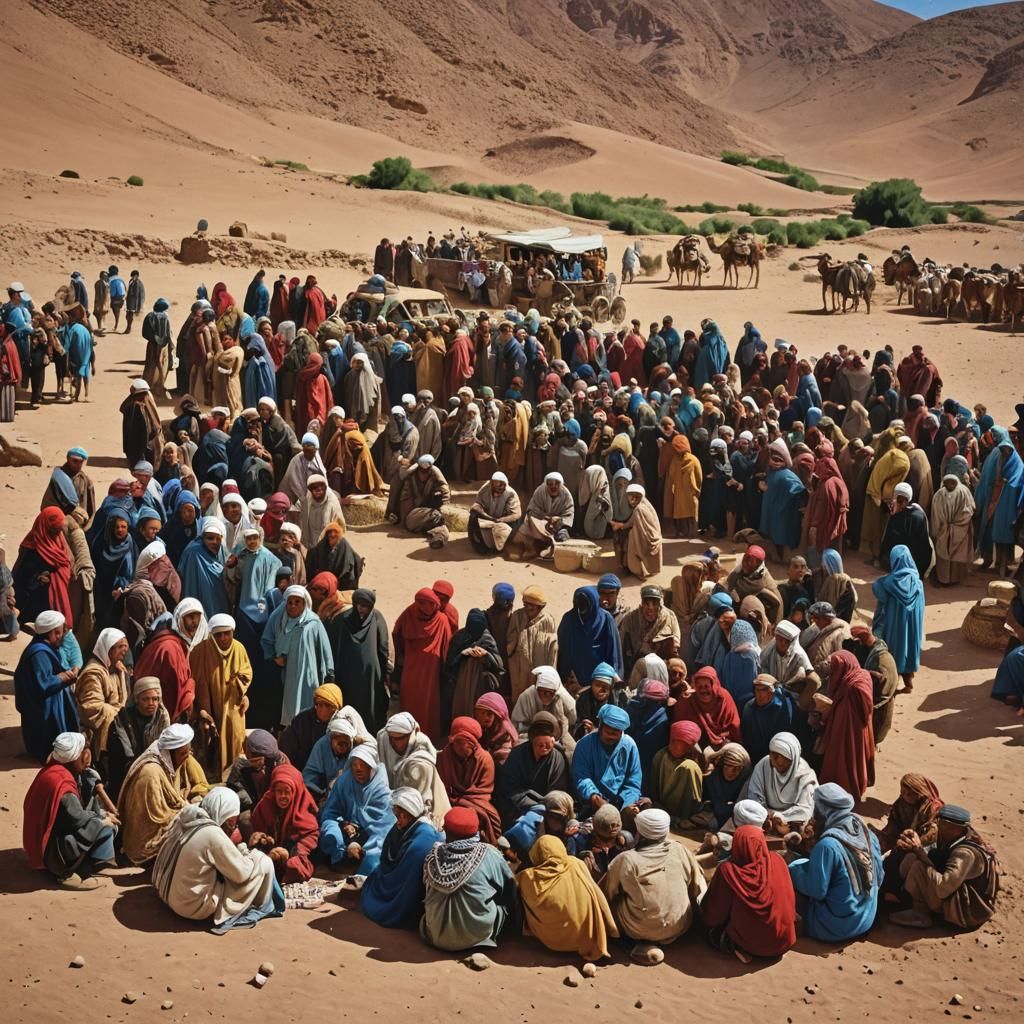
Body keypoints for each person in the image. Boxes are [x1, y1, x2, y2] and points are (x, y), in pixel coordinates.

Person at [152, 787, 282, 933]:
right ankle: (260, 904)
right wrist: (251, 852)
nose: (233, 826)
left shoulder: (188, 814)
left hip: (166, 895)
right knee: (263, 863)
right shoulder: (211, 833)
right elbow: (242, 874)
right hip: (191, 907)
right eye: (231, 821)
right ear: (222, 812)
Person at [604, 808, 707, 959]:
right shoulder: (680, 849)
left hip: (639, 930)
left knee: (608, 907)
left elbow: (608, 894)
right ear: (666, 832)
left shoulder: (626, 859)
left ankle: (634, 945)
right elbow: (698, 888)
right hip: (680, 926)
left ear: (638, 831)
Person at [22, 732, 118, 890]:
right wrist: (102, 818)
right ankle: (74, 869)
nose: (86, 759)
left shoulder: (52, 770)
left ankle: (91, 861)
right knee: (106, 827)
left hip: (39, 842)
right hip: (51, 852)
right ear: (74, 757)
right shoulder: (62, 783)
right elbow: (77, 819)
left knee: (101, 819)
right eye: (83, 754)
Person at [789, 782, 882, 942]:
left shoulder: (828, 845)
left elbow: (816, 890)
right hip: (866, 919)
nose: (814, 818)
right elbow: (879, 877)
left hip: (834, 926)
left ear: (826, 812)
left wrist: (792, 870)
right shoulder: (864, 829)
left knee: (784, 888)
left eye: (816, 813)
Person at [420, 806, 517, 951]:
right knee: (506, 901)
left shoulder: (433, 855)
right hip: (476, 938)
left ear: (447, 831)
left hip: (435, 935)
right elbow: (510, 887)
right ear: (475, 832)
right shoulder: (489, 853)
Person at [891, 803, 999, 930]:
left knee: (919, 867)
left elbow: (943, 889)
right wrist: (916, 843)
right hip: (953, 891)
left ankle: (920, 913)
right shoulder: (952, 837)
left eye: (940, 823)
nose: (937, 825)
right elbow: (931, 852)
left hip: (967, 911)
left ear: (952, 827)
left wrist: (921, 855)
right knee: (912, 858)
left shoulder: (965, 853)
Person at [701, 824, 797, 962]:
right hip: (785, 941)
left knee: (705, 927)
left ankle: (738, 947)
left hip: (753, 946)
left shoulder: (729, 871)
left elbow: (713, 915)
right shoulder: (778, 860)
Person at [518, 833, 618, 960]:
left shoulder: (526, 877)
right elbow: (597, 894)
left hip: (551, 941)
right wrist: (611, 927)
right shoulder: (576, 863)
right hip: (584, 939)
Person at [361, 787, 444, 927]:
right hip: (393, 878)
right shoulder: (405, 826)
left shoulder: (424, 839)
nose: (398, 821)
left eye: (401, 816)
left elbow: (407, 878)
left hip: (407, 892)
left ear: (410, 814)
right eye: (397, 815)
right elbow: (387, 858)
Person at [117, 723, 197, 865]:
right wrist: (186, 812)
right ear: (170, 752)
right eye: (183, 754)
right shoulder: (150, 774)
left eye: (188, 752)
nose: (187, 757)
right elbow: (157, 818)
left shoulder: (173, 762)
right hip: (146, 843)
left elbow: (182, 790)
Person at [190, 614, 253, 780]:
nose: (224, 638)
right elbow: (196, 681)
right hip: (209, 705)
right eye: (219, 634)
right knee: (211, 739)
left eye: (227, 633)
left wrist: (238, 685)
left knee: (235, 740)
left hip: (233, 705)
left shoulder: (239, 648)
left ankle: (234, 777)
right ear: (212, 635)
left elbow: (247, 672)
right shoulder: (200, 651)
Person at [319, 743, 395, 875]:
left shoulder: (382, 791)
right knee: (330, 835)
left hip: (372, 838)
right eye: (354, 764)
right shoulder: (344, 781)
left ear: (371, 766)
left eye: (363, 764)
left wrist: (360, 846)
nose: (358, 769)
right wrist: (341, 826)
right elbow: (330, 812)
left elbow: (383, 830)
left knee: (374, 858)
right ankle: (340, 858)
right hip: (348, 831)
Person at [263, 585, 333, 727]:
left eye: (297, 602)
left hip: (307, 675)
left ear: (304, 603)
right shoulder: (278, 618)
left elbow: (325, 650)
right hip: (284, 675)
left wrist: (329, 672)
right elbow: (266, 640)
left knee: (307, 711)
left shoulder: (313, 623)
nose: (293, 606)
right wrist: (274, 658)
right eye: (290, 602)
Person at [15, 610, 80, 762]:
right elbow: (42, 684)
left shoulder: (44, 648)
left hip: (49, 707)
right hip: (43, 712)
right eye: (58, 633)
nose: (61, 636)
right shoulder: (39, 653)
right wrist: (62, 677)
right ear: (52, 633)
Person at [325, 589, 390, 733]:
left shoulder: (377, 617)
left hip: (370, 676)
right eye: (359, 605)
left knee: (370, 710)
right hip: (348, 673)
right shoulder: (342, 619)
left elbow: (383, 647)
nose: (361, 608)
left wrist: (385, 673)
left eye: (365, 605)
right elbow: (333, 644)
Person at [392, 588, 452, 740]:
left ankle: (426, 737)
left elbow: (447, 646)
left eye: (430, 603)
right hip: (410, 670)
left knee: (428, 706)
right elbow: (397, 633)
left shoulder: (442, 620)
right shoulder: (409, 614)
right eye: (421, 603)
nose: (425, 607)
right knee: (410, 703)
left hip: (430, 673)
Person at [133, 599, 205, 723]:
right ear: (179, 619)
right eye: (190, 617)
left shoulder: (179, 643)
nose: (194, 622)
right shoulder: (170, 647)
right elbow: (176, 687)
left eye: (198, 617)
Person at [818, 650, 875, 801]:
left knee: (844, 761)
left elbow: (863, 707)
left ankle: (844, 791)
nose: (834, 673)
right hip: (853, 729)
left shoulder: (853, 686)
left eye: (835, 669)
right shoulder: (860, 675)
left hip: (847, 730)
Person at [377, 712, 451, 827]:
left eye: (398, 739)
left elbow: (414, 805)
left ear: (411, 736)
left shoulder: (420, 763)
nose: (392, 743)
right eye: (390, 738)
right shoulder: (385, 741)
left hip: (419, 813)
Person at [248, 763, 319, 882]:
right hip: (271, 853)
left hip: (293, 852)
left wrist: (289, 853)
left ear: (295, 792)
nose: (282, 796)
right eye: (279, 792)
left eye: (287, 792)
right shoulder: (266, 804)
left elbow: (310, 837)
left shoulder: (302, 810)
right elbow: (258, 828)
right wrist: (263, 840)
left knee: (294, 867)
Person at [102, 676, 170, 801]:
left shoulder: (162, 718)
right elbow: (119, 759)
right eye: (146, 699)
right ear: (137, 699)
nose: (151, 703)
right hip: (127, 771)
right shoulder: (122, 721)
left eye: (155, 699)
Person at [437, 717, 502, 844]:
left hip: (477, 803)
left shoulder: (485, 759)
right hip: (448, 800)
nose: (466, 748)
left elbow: (484, 792)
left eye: (469, 744)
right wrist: (453, 800)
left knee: (487, 816)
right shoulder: (443, 757)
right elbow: (441, 787)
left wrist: (464, 802)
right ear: (453, 742)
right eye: (460, 743)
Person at [871, 544, 925, 693]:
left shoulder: (889, 582)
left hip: (894, 626)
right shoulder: (918, 584)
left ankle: (892, 686)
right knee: (908, 650)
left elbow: (877, 590)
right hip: (912, 628)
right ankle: (908, 684)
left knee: (894, 652)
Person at [745, 732, 818, 835]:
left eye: (776, 757)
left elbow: (806, 809)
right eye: (771, 755)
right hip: (765, 817)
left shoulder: (805, 774)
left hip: (792, 823)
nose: (772, 761)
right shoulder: (763, 765)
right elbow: (754, 798)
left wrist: (780, 817)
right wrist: (768, 814)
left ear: (790, 758)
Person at [572, 703, 641, 811]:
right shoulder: (584, 745)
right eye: (608, 732)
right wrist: (594, 797)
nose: (611, 737)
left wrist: (626, 806)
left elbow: (633, 782)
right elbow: (582, 777)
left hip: (621, 803)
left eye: (615, 734)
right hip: (592, 802)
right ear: (600, 726)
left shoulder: (629, 746)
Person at [74, 628, 130, 761]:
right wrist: (121, 715)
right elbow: (92, 707)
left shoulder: (115, 668)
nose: (125, 651)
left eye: (126, 646)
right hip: (100, 733)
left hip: (117, 726)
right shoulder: (93, 674)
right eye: (120, 647)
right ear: (108, 649)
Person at [13, 507, 74, 624]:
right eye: (55, 530)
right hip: (30, 598)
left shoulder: (58, 538)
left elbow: (66, 561)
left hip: (47, 598)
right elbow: (20, 576)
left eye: (59, 529)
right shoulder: (30, 547)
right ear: (47, 528)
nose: (58, 533)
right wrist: (38, 578)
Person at [557, 585, 623, 689]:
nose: (582, 606)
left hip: (601, 679)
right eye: (580, 601)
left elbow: (613, 651)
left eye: (586, 602)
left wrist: (613, 677)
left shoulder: (606, 619)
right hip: (574, 681)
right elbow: (563, 651)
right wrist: (564, 676)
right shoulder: (569, 619)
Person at [505, 586, 558, 701]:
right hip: (519, 667)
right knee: (519, 695)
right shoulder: (517, 616)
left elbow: (552, 645)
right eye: (526, 604)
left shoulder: (548, 620)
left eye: (532, 605)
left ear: (540, 606)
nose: (528, 608)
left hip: (538, 665)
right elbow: (510, 637)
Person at [387, 454, 451, 549]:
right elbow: (405, 501)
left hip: (427, 512)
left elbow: (445, 491)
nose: (424, 474)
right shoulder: (410, 479)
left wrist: (439, 499)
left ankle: (439, 539)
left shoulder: (435, 476)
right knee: (436, 516)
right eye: (422, 471)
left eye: (427, 471)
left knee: (440, 525)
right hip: (412, 515)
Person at [671, 666, 741, 749]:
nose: (703, 690)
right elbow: (680, 730)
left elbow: (734, 728)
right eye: (700, 687)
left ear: (714, 686)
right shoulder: (688, 701)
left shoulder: (724, 698)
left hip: (724, 745)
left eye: (706, 686)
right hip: (696, 747)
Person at [650, 720, 704, 822]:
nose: (673, 746)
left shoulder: (691, 765)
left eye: (679, 744)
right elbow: (654, 786)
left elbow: (693, 799)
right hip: (661, 809)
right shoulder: (661, 755)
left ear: (688, 747)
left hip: (685, 814)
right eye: (672, 742)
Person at [514, 471, 575, 558]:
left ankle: (552, 548)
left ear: (561, 484)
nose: (553, 486)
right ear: (546, 484)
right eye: (550, 484)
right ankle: (532, 549)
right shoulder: (540, 491)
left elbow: (569, 513)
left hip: (557, 525)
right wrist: (544, 517)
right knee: (520, 536)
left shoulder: (566, 495)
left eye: (557, 483)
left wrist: (558, 519)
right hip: (540, 521)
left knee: (562, 536)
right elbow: (531, 510)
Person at [880, 481, 934, 577]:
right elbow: (924, 546)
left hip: (898, 565)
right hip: (915, 567)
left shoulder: (896, 516)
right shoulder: (919, 515)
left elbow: (887, 542)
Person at [930, 471, 975, 585]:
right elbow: (936, 515)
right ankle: (945, 579)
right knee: (947, 555)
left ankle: (953, 579)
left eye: (952, 483)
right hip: (950, 530)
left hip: (957, 530)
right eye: (947, 483)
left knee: (953, 556)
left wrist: (949, 527)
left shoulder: (963, 492)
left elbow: (968, 511)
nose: (950, 485)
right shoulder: (939, 495)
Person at [740, 673, 796, 766]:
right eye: (757, 690)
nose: (760, 694)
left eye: (764, 690)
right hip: (752, 757)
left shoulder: (782, 709)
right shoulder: (749, 708)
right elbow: (745, 735)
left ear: (772, 692)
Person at [467, 471, 522, 554]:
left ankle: (505, 546)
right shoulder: (484, 489)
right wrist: (481, 511)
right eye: (497, 484)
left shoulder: (511, 494)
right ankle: (479, 546)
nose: (500, 487)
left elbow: (516, 514)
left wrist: (503, 519)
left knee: (516, 523)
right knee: (473, 515)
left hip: (506, 521)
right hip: (488, 518)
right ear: (492, 484)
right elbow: (477, 504)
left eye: (503, 484)